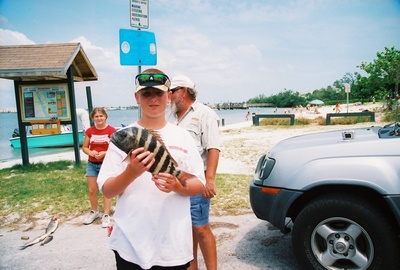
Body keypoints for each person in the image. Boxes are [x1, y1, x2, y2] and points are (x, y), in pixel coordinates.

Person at [97, 68, 206, 270]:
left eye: (159, 93)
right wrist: (132, 172)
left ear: (169, 96)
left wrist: (178, 187)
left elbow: (199, 184)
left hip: (172, 247)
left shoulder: (183, 137)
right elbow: (107, 190)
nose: (153, 99)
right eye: (146, 94)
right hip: (129, 245)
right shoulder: (123, 136)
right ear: (137, 97)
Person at [167, 75, 220, 270]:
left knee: (201, 228)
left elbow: (213, 148)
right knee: (186, 230)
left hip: (197, 180)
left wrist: (210, 181)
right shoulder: (172, 118)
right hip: (177, 181)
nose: (169, 95)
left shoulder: (205, 114)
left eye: (172, 91)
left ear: (185, 91)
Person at [82, 107, 116, 227]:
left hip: (106, 164)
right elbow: (85, 147)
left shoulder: (111, 131)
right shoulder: (90, 132)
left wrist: (104, 153)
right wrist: (90, 152)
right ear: (93, 118)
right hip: (92, 164)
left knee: (106, 190)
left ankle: (106, 215)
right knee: (92, 190)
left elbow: (116, 148)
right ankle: (94, 211)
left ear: (105, 117)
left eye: (101, 116)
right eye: (96, 116)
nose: (99, 118)